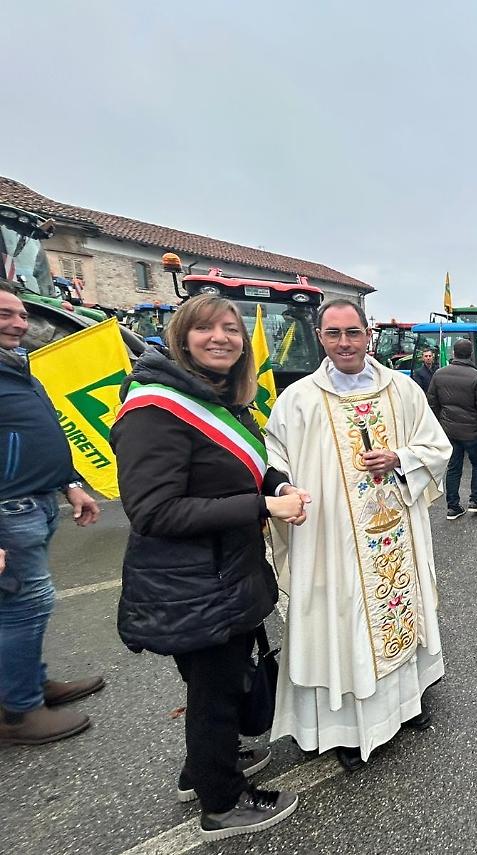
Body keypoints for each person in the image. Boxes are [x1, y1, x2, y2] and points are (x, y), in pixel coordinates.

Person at [111, 294, 309, 841]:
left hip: (217, 575)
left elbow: (239, 466)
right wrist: (262, 506)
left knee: (215, 687)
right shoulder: (156, 410)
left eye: (231, 329)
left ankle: (201, 772)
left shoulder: (216, 399)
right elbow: (154, 510)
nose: (221, 337)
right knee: (215, 693)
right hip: (194, 581)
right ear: (182, 336)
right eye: (206, 329)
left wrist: (275, 483)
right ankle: (222, 805)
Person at [265, 299, 451, 773]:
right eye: (333, 334)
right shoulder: (299, 399)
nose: (344, 343)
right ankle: (346, 729)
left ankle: (404, 705)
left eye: (353, 332)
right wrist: (284, 488)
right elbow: (273, 457)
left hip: (395, 535)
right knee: (340, 623)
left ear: (368, 334)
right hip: (330, 537)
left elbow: (436, 447)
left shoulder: (402, 390)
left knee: (397, 612)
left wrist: (400, 459)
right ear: (321, 338)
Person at [0, 284, 104, 748]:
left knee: (21, 606)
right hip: (8, 509)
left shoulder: (19, 368)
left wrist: (71, 484)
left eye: (21, 315)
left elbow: (42, 431)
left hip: (36, 499)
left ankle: (28, 684)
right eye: (5, 315)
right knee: (26, 604)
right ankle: (19, 712)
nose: (19, 324)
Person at [426, 338, 477, 519]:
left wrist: (442, 422)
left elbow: (431, 403)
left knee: (454, 467)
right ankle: (474, 501)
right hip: (472, 432)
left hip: (449, 431)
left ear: (453, 353)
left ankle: (453, 507)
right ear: (470, 354)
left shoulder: (439, 374)